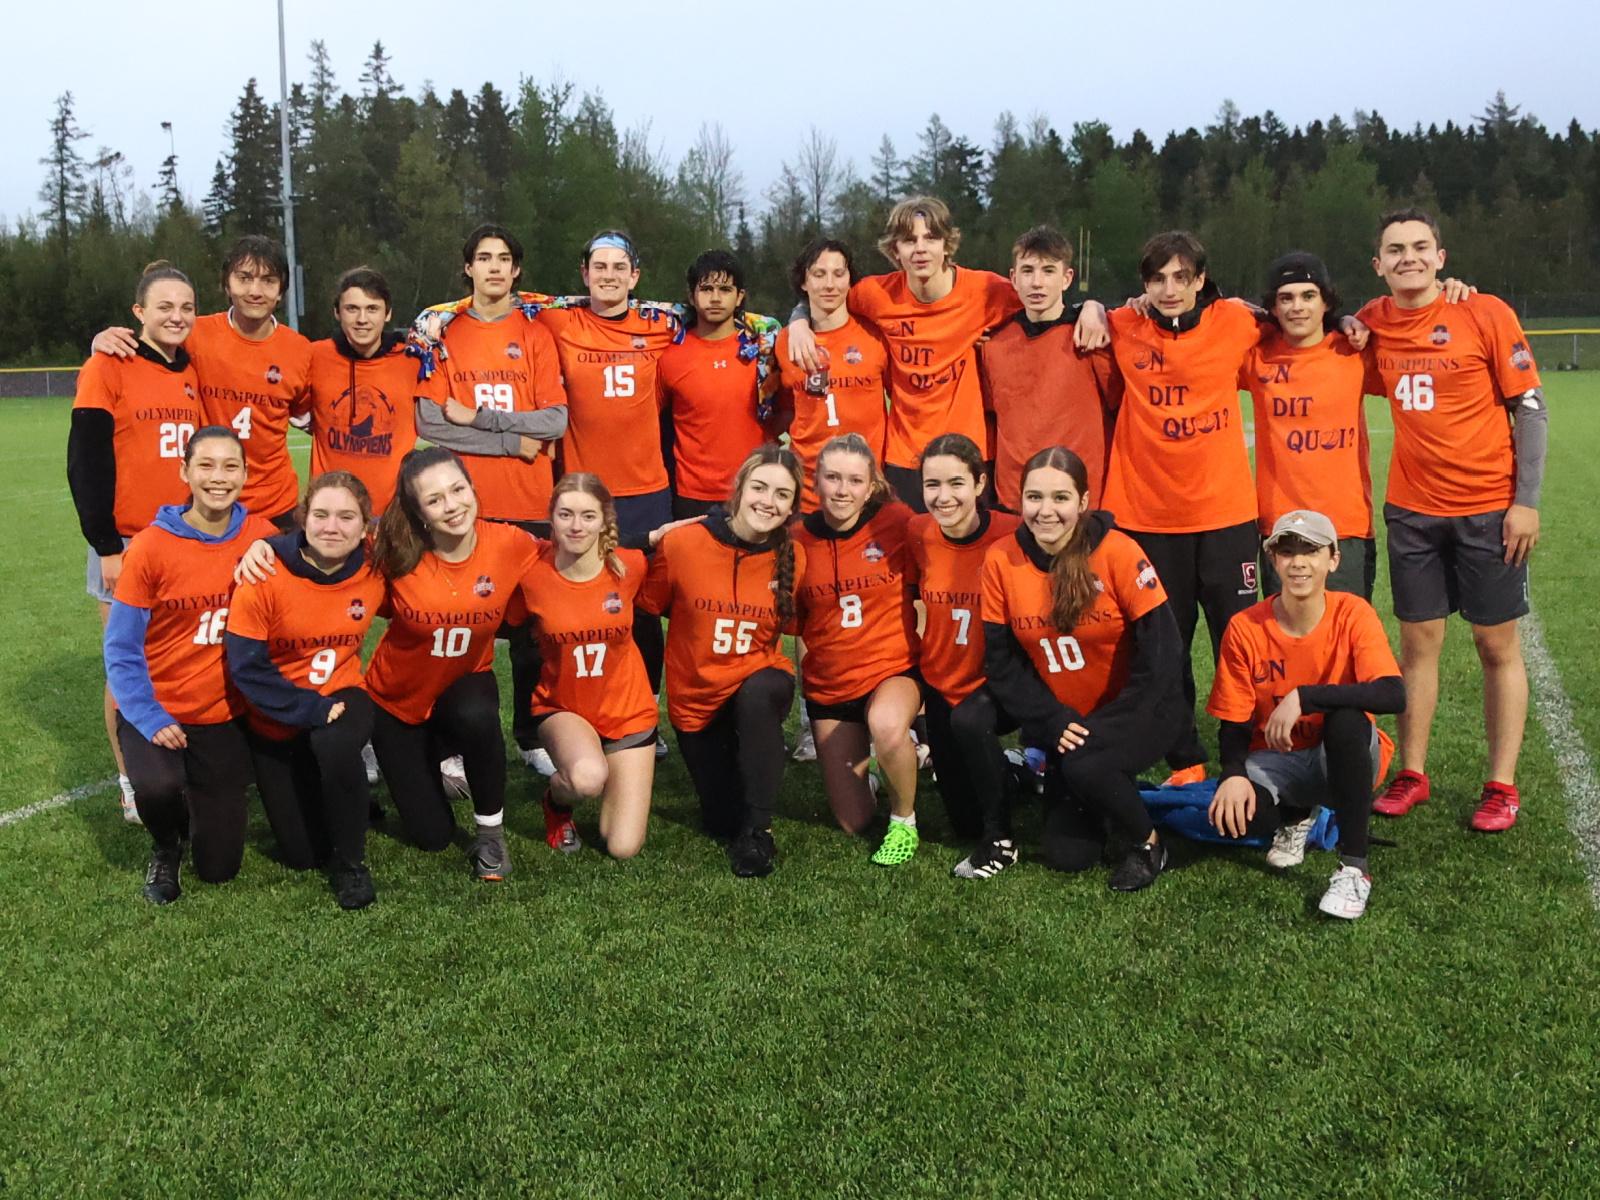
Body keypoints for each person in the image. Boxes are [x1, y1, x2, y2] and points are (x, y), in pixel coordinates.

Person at [1359, 207, 1547, 832]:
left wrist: (1526, 501)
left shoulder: (1483, 312)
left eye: (1420, 247)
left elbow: (1531, 409)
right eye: (1395, 250)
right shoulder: (1371, 322)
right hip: (1412, 510)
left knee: (1495, 644)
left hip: (1488, 508)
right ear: (1379, 264)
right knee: (1417, 644)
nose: (1408, 257)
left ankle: (1501, 785)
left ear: (1441, 258)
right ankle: (1412, 773)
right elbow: (1307, 323)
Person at [1097, 231, 1269, 782]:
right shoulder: (1121, 325)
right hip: (1147, 517)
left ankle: (1243, 750)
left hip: (1225, 515)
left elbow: (1298, 317)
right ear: (1143, 285)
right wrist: (1092, 308)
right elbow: (1077, 315)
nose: (1169, 289)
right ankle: (1186, 757)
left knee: (1238, 640)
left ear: (1201, 280)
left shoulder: (1236, 321)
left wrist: (1347, 321)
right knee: (1165, 645)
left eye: (1180, 277)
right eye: (1157, 279)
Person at [980, 446, 1187, 891]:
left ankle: (1150, 844)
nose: (1046, 510)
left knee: (1084, 765)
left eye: (1060, 497)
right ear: (1020, 500)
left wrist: (1116, 723)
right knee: (1068, 856)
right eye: (1034, 497)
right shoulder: (1001, 559)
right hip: (1067, 723)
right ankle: (1111, 792)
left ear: (1083, 501)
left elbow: (1164, 652)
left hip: (1140, 712)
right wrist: (1052, 720)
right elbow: (1001, 663)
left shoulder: (1118, 551)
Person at [410, 226, 570, 773]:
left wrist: (480, 418)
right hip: (460, 506)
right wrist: (511, 442)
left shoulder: (535, 334)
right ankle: (450, 743)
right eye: (484, 258)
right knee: (456, 630)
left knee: (532, 633)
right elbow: (431, 421)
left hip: (529, 502)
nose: (495, 267)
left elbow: (555, 420)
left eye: (504, 258)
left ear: (516, 270)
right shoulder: (444, 334)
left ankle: (530, 735)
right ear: (468, 268)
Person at [102, 427, 274, 903]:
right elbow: (121, 648)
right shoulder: (150, 547)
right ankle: (165, 844)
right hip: (159, 707)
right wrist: (149, 715)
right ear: (184, 472)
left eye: (230, 466)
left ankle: (205, 800)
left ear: (245, 474)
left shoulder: (263, 537)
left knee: (220, 867)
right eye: (206, 465)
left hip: (223, 714)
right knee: (157, 787)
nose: (218, 477)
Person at [1206, 510, 1406, 919]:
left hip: (1342, 756)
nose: (1298, 562)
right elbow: (1234, 718)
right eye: (1287, 552)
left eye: (1311, 551)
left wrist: (1306, 697)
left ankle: (1354, 867)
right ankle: (1297, 816)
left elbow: (1392, 693)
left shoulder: (1353, 613)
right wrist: (1232, 774)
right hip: (1277, 758)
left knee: (1347, 720)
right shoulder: (1245, 627)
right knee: (1238, 820)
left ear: (1333, 559)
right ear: (1272, 560)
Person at [69, 260, 205, 823]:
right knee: (128, 663)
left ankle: (182, 765)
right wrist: (106, 545)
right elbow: (86, 460)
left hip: (188, 539)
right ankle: (130, 778)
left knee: (186, 655)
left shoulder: (193, 366)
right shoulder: (109, 364)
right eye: (164, 306)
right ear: (138, 312)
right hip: (126, 541)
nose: (177, 316)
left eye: (187, 307)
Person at [364, 448, 540, 878]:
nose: (452, 505)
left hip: (462, 686)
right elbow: (322, 545)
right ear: (418, 512)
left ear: (473, 488)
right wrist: (265, 546)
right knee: (432, 837)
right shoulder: (393, 549)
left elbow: (576, 546)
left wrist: (649, 539)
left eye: (458, 490)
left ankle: (491, 834)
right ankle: (424, 761)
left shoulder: (510, 543)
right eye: (435, 499)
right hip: (396, 701)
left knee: (476, 713)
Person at [785, 196, 1022, 510]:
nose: (920, 249)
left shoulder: (987, 291)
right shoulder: (876, 294)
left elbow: (1045, 299)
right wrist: (799, 321)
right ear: (895, 250)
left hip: (968, 452)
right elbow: (826, 294)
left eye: (931, 238)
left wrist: (1084, 310)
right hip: (905, 457)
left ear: (947, 245)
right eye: (909, 240)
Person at [639, 445, 806, 877]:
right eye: (760, 488)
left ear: (792, 506)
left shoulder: (794, 555)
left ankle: (759, 833)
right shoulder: (683, 543)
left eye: (782, 494)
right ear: (739, 488)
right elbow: (645, 603)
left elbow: (800, 626)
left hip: (758, 682)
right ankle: (745, 781)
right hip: (697, 702)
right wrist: (650, 538)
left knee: (758, 694)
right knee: (720, 820)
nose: (768, 502)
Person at [225, 472, 386, 909]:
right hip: (277, 712)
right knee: (303, 855)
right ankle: (346, 799)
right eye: (321, 515)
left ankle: (351, 865)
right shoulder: (263, 573)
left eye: (346, 517)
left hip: (342, 692)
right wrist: (307, 707)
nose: (332, 527)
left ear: (365, 526)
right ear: (303, 518)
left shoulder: (376, 565)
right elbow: (246, 668)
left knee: (335, 745)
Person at [93, 235, 313, 527]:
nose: (255, 291)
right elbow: (148, 350)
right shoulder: (195, 334)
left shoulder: (301, 351)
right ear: (227, 284)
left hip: (276, 507)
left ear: (282, 290)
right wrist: (100, 341)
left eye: (268, 281)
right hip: (207, 505)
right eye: (244, 278)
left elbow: (314, 415)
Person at [792, 433, 921, 864]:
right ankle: (891, 765)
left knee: (886, 723)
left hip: (891, 670)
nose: (842, 490)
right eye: (832, 478)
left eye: (854, 480)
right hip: (831, 687)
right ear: (816, 482)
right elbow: (794, 622)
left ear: (870, 487)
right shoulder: (796, 539)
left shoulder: (897, 521)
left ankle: (904, 820)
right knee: (853, 820)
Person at [520, 474, 659, 859]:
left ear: (604, 521)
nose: (576, 526)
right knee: (586, 778)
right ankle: (556, 802)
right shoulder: (531, 573)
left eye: (588, 516)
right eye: (565, 514)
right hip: (563, 705)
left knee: (622, 846)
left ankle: (614, 770)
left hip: (628, 710)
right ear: (551, 517)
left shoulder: (629, 566)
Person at [904, 434, 1022, 877]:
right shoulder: (917, 532)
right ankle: (1012, 773)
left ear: (979, 483)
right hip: (942, 681)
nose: (943, 496)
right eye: (932, 484)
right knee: (962, 822)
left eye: (956, 483)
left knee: (973, 722)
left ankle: (1001, 841)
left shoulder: (1012, 532)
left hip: (999, 683)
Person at [1240, 253, 1376, 598]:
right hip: (1281, 526)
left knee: (1345, 628)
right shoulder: (1255, 357)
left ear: (1326, 301)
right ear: (1273, 307)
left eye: (1308, 296)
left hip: (1345, 526)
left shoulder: (1356, 351)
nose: (1297, 307)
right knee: (1286, 629)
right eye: (1286, 298)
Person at [980, 225, 1121, 513]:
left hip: (1079, 499)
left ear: (1067, 278)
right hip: (1014, 499)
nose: (1037, 282)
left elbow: (1120, 407)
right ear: (1013, 278)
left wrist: (1094, 307)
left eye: (1048, 271)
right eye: (1028, 271)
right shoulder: (993, 344)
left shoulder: (1092, 337)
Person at [772, 239, 889, 512]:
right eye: (819, 274)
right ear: (803, 282)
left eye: (838, 274)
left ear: (850, 280)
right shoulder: (785, 341)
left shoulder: (875, 335)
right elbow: (785, 409)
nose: (829, 284)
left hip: (867, 488)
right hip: (809, 491)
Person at [659, 249, 776, 520]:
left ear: (740, 297)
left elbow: (785, 413)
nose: (715, 298)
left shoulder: (764, 352)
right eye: (706, 289)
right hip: (692, 495)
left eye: (725, 289)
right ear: (691, 296)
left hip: (755, 489)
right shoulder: (670, 356)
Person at [302, 267, 422, 514]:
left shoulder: (413, 360)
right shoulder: (314, 356)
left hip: (393, 515)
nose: (362, 319)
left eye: (372, 309)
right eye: (352, 309)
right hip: (331, 515)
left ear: (388, 313)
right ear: (337, 312)